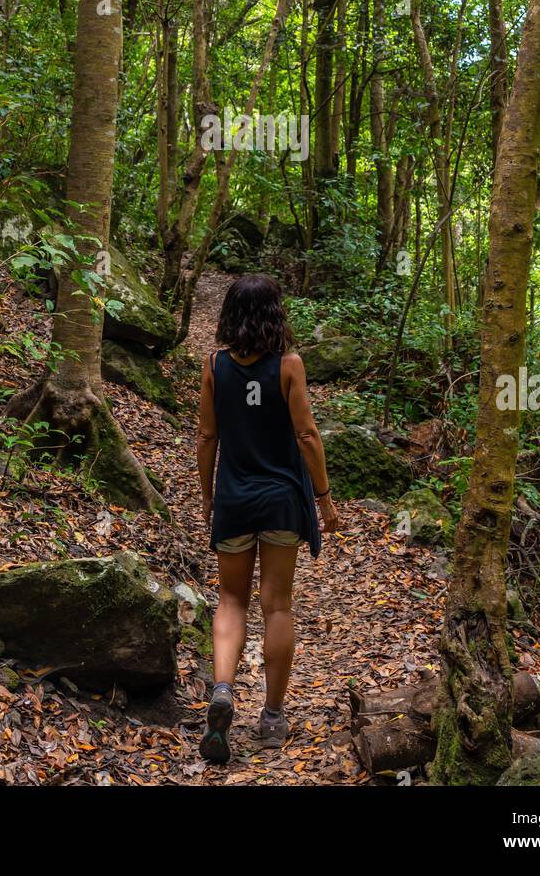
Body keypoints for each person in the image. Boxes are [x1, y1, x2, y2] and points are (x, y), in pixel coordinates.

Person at [196, 273, 339, 763]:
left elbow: (206, 437)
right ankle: (273, 716)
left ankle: (221, 689)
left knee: (231, 598)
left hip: (234, 499)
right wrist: (323, 497)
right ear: (275, 313)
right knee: (277, 606)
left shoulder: (214, 365)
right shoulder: (289, 366)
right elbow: (307, 435)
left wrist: (208, 496)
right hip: (280, 500)